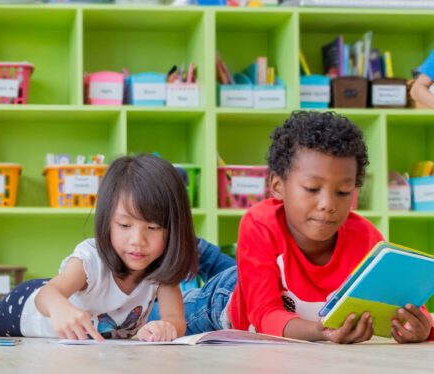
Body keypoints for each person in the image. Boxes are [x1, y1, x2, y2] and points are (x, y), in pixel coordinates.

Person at [185, 111, 434, 343]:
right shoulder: (259, 223)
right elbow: (263, 315)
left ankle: (202, 252)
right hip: (223, 301)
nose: (328, 204)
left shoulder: (367, 239)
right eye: (312, 189)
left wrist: (421, 329)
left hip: (261, 274)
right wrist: (321, 331)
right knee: (156, 318)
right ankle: (191, 248)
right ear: (277, 185)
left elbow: (412, 310)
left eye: (343, 192)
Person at [0, 154, 198, 342]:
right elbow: (48, 294)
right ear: (107, 221)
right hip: (25, 310)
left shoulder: (160, 270)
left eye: (153, 228)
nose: (138, 240)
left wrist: (168, 328)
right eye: (124, 225)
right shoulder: (91, 258)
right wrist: (60, 308)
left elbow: (176, 319)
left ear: (172, 229)